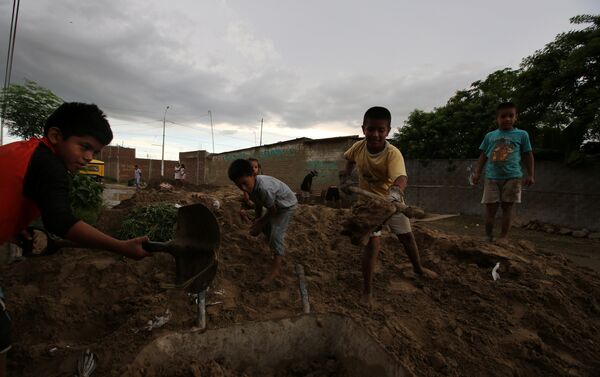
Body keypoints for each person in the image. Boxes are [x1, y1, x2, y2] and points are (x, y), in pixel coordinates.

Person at [0, 102, 149, 376]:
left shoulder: (28, 153)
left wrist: (13, 228)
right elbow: (61, 221)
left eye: (95, 151)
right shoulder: (50, 165)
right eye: (84, 147)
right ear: (56, 136)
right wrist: (120, 247)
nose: (90, 157)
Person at [343, 106, 437, 307]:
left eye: (381, 130)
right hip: (368, 207)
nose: (375, 134)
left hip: (391, 204)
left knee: (407, 238)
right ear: (363, 128)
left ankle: (418, 268)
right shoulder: (358, 148)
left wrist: (395, 193)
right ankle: (367, 291)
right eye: (371, 129)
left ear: (388, 131)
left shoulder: (393, 153)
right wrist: (345, 178)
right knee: (372, 245)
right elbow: (349, 160)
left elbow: (401, 177)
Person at [471, 102, 534, 243]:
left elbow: (528, 155)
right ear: (497, 118)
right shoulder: (490, 136)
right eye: (503, 116)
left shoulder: (522, 135)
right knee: (490, 208)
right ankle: (488, 235)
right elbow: (483, 156)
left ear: (516, 117)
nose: (507, 119)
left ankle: (503, 236)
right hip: (492, 177)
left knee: (508, 207)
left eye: (511, 116)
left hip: (513, 177)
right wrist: (477, 173)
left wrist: (531, 174)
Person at [228, 159, 297, 284]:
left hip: (286, 206)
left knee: (276, 235)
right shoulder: (252, 186)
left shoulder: (264, 188)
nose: (243, 188)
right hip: (275, 206)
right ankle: (274, 245)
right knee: (265, 227)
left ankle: (275, 271)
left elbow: (272, 210)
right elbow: (258, 204)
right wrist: (257, 219)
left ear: (253, 175)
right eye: (239, 186)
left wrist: (259, 224)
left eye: (244, 183)